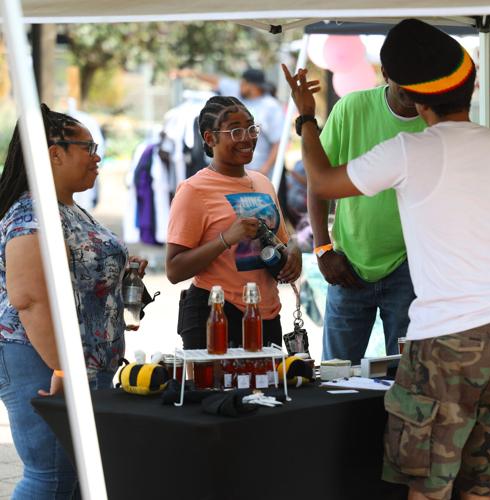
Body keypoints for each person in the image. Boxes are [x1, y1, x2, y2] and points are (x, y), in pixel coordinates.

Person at [283, 18, 490, 500]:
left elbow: (323, 182)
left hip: (444, 341)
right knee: (484, 484)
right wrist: (489, 251)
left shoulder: (412, 151)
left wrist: (306, 117)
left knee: (428, 484)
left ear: (412, 97)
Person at [0, 104, 147, 497]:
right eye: (89, 147)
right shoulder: (32, 212)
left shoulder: (67, 208)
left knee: (81, 477)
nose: (97, 156)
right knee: (52, 475)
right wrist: (64, 370)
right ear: (54, 152)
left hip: (81, 361)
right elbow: (29, 298)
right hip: (40, 358)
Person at [309, 48, 427, 365]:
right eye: (404, 80)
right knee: (336, 374)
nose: (412, 90)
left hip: (410, 268)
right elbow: (317, 181)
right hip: (348, 262)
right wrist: (322, 248)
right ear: (386, 74)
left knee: (406, 376)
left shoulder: (436, 122)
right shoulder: (352, 108)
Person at [166, 96, 301, 350]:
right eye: (235, 131)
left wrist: (293, 250)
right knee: (218, 391)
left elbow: (281, 241)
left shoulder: (262, 182)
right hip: (216, 315)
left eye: (251, 128)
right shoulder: (193, 190)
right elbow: (174, 270)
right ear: (210, 138)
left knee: (267, 389)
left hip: (267, 316)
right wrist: (226, 238)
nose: (247, 138)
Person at [177, 68, 284, 177]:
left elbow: (278, 142)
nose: (240, 85)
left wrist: (264, 169)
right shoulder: (236, 92)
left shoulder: (271, 107)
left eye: (243, 83)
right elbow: (216, 81)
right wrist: (191, 72)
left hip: (256, 171)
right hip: (230, 171)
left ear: (252, 85)